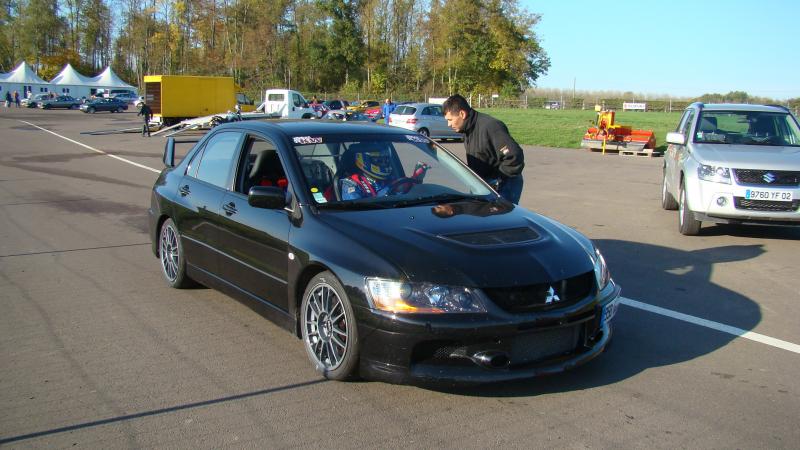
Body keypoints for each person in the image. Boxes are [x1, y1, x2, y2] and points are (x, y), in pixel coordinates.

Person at [442, 94, 525, 204]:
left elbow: (514, 155)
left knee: (500, 219)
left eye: (450, 119)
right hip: (484, 183)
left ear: (462, 114)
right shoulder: (467, 130)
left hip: (505, 184)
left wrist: (498, 181)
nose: (448, 124)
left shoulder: (490, 126)